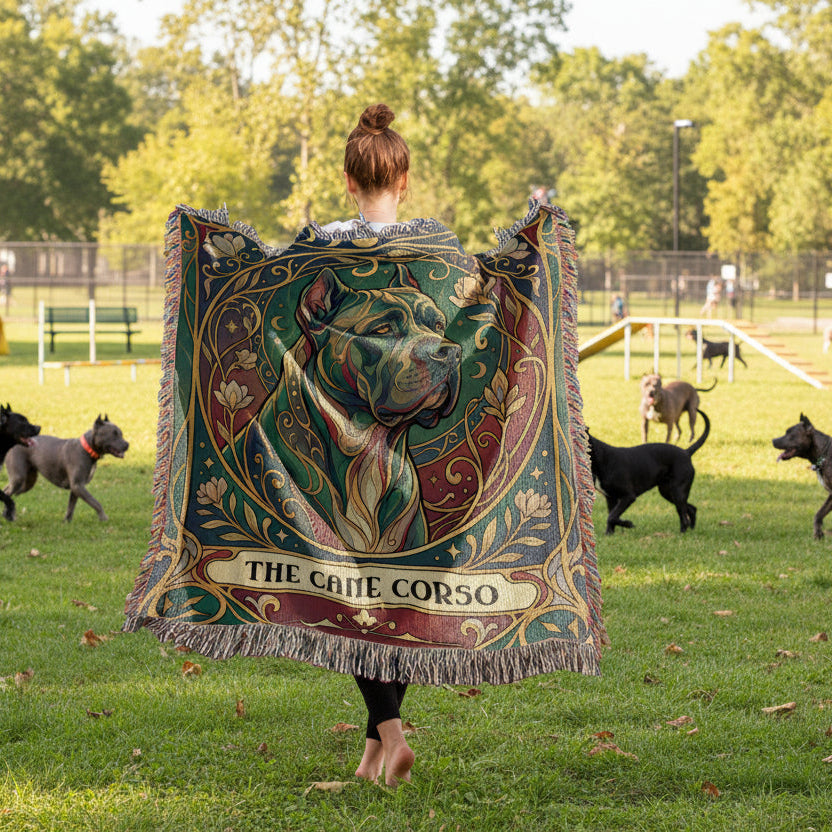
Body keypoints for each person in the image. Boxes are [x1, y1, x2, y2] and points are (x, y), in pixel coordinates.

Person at [319, 103, 416, 788]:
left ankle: (390, 736)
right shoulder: (434, 247)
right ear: (403, 181)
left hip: (341, 444)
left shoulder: (321, 244)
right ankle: (374, 757)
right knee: (400, 598)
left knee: (351, 598)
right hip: (419, 448)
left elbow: (262, 292)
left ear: (348, 182)